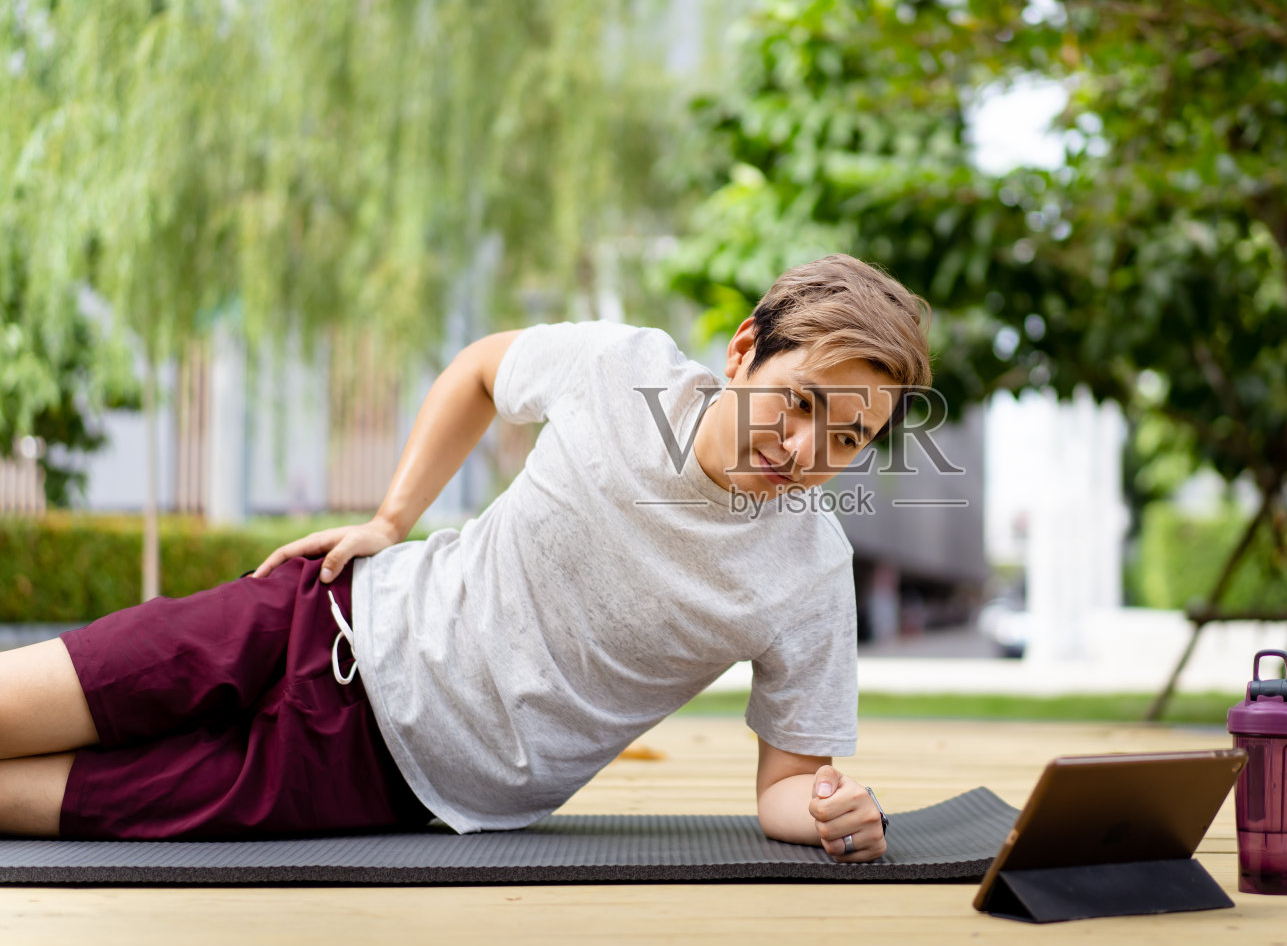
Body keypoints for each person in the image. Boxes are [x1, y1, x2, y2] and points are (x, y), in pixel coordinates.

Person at [0, 254, 932, 864]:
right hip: (317, 612)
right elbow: (480, 369)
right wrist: (389, 517)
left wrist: (829, 811)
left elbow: (784, 784)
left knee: (26, 798)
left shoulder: (810, 574)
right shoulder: (621, 369)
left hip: (373, 776)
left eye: (847, 439)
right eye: (799, 403)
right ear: (743, 351)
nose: (805, 449)